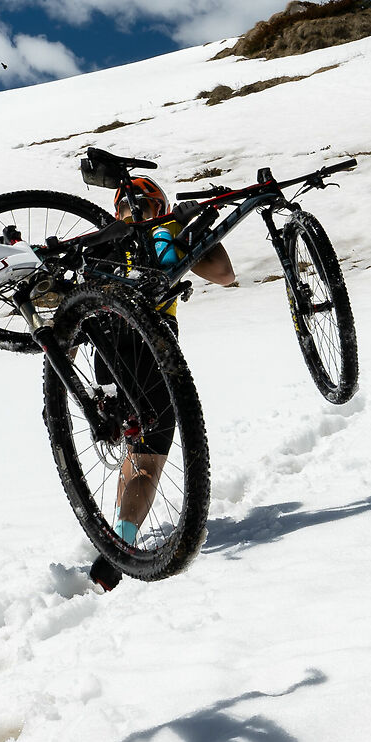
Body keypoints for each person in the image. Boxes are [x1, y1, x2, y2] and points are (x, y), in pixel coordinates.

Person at [85, 173, 236, 590]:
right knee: (147, 455)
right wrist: (190, 230)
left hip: (105, 353)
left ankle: (117, 542)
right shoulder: (169, 236)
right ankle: (121, 543)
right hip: (153, 349)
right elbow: (225, 274)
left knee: (132, 443)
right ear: (160, 206)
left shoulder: (101, 243)